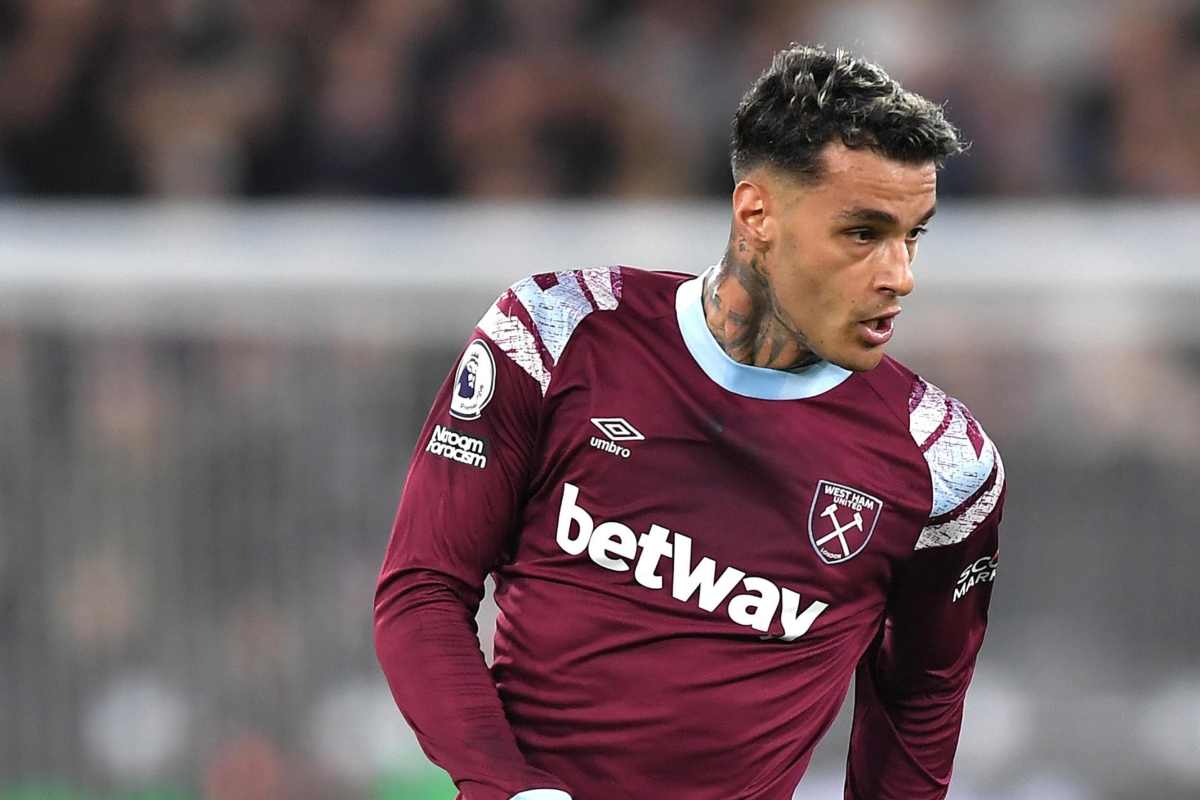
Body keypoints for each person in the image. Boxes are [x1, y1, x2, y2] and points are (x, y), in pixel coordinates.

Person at [375, 44, 1005, 800]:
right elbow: (423, 590)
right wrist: (510, 790)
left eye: (914, 235)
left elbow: (920, 704)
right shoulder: (555, 334)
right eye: (863, 234)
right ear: (757, 215)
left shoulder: (943, 465)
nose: (900, 276)